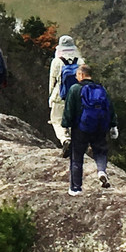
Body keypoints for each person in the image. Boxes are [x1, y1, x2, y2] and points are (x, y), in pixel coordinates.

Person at [65, 63, 114, 196]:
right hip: (99, 127)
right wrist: (113, 125)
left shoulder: (75, 89)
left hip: (80, 128)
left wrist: (66, 125)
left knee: (77, 158)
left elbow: (69, 110)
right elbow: (110, 108)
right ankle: (101, 170)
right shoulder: (101, 89)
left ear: (81, 74)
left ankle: (76, 188)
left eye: (77, 75)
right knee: (100, 151)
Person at [48, 35, 83, 153]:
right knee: (74, 120)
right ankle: (75, 143)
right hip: (77, 96)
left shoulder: (57, 61)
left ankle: (65, 140)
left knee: (57, 120)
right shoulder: (80, 61)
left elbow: (52, 81)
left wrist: (50, 96)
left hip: (60, 96)